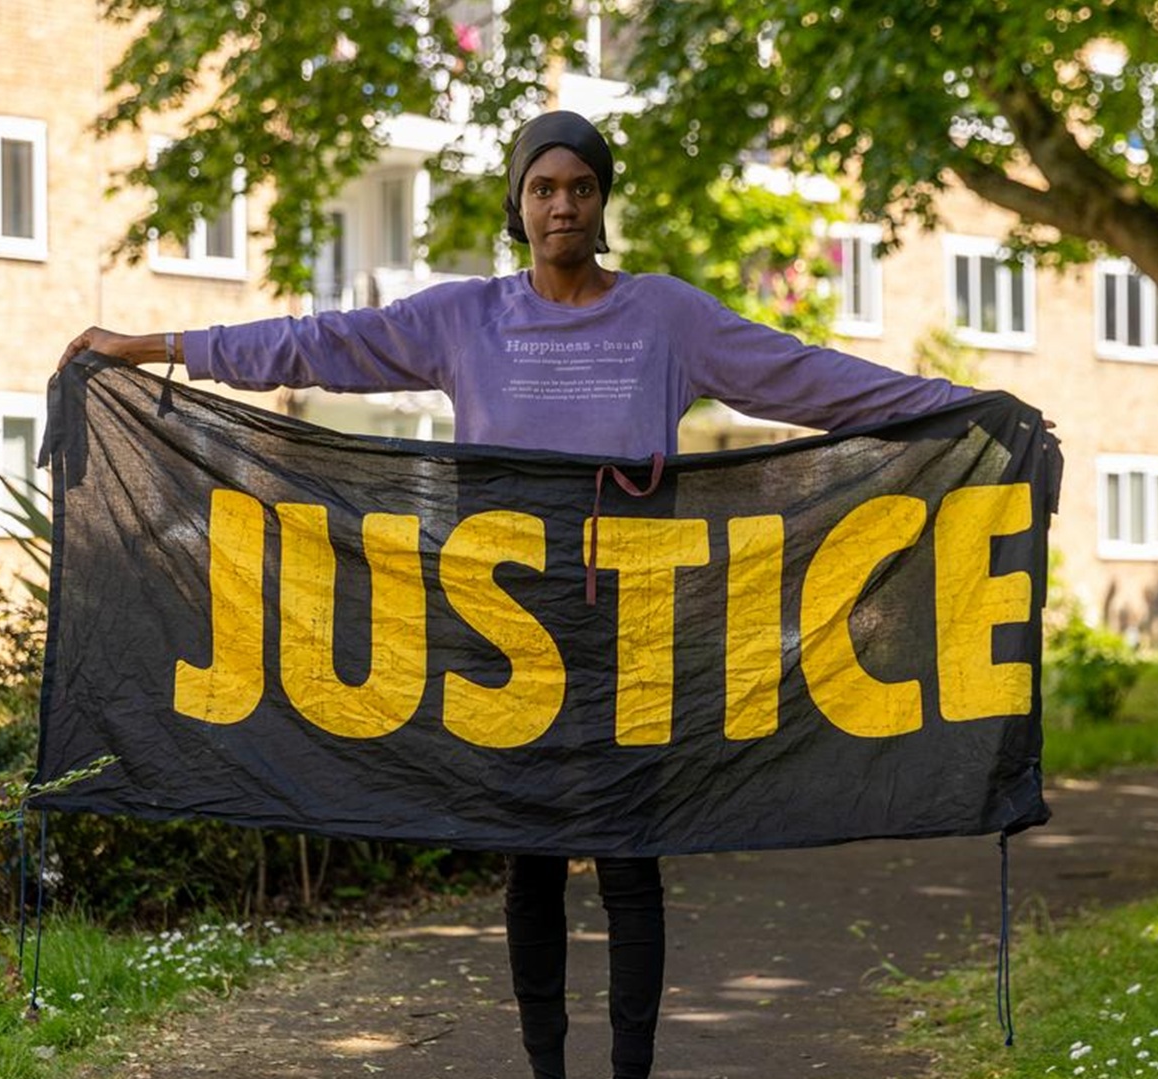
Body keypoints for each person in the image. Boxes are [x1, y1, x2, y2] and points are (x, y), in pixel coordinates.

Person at [59, 110, 978, 1079]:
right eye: (544, 188)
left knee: (630, 855)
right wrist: (150, 345)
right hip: (505, 627)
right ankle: (546, 1066)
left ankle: (631, 1068)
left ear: (603, 199)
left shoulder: (667, 316)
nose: (564, 205)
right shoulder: (465, 319)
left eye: (581, 187)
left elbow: (806, 377)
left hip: (634, 622)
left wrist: (954, 407)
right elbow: (312, 343)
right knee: (528, 854)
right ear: (518, 202)